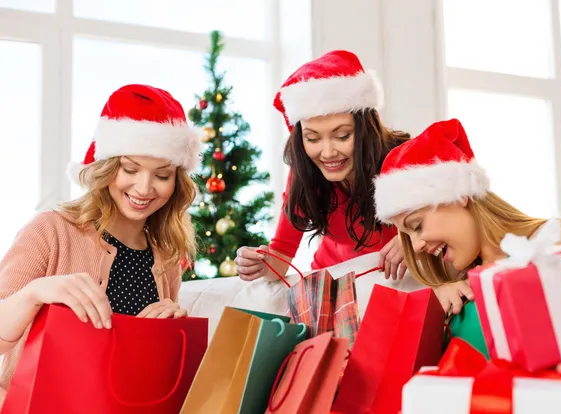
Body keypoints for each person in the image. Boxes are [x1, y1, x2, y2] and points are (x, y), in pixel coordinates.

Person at [0, 84, 200, 399]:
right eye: (130, 169)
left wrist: (163, 337)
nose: (144, 188)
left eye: (162, 175)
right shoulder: (50, 230)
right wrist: (34, 294)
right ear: (106, 168)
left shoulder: (166, 257)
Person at [373, 118, 561, 373]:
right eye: (407, 236)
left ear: (458, 194)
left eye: (417, 226)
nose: (416, 246)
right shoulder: (455, 288)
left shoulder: (557, 240)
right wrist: (431, 311)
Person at [235, 50, 411, 281]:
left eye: (342, 136)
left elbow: (453, 224)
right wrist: (261, 264)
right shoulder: (305, 171)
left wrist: (411, 239)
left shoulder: (403, 160)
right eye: (313, 138)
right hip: (333, 281)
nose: (327, 153)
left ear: (366, 131)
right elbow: (281, 252)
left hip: (394, 282)